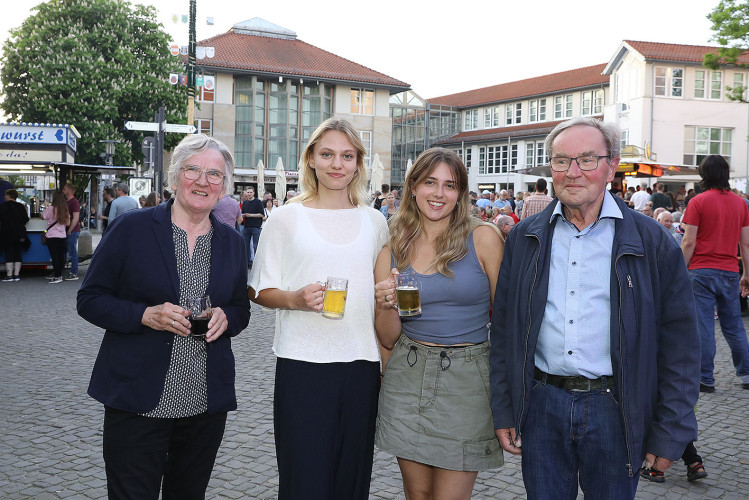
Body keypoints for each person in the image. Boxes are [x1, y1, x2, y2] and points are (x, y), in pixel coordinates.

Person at [490, 117, 699, 499]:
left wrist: (670, 432)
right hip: (542, 407)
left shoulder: (651, 241)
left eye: (587, 159)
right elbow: (504, 329)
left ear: (612, 165)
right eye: (560, 161)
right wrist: (505, 408)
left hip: (616, 411)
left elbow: (681, 346)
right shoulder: (525, 236)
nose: (572, 172)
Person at [77, 134, 250, 499]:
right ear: (175, 178)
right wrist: (145, 315)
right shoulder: (132, 229)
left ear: (224, 188)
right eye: (193, 170)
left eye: (214, 175)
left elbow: (240, 309)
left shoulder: (232, 242)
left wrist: (226, 318)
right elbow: (90, 299)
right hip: (138, 398)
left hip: (204, 403)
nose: (203, 181)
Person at [248, 118, 388, 499]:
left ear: (358, 163)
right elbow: (258, 289)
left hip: (360, 363)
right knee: (303, 477)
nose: (336, 164)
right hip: (302, 363)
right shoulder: (284, 218)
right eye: (327, 154)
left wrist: (390, 296)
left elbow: (381, 293)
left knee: (352, 477)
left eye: (346, 156)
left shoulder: (375, 221)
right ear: (310, 158)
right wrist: (294, 299)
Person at [373, 147, 504, 499]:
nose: (439, 194)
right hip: (408, 374)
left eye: (450, 185)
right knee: (417, 496)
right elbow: (387, 339)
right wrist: (385, 304)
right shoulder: (393, 245)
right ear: (413, 186)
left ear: (460, 192)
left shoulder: (484, 237)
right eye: (430, 182)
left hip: (467, 380)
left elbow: (507, 321)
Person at [681, 154, 749, 393]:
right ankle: (747, 374)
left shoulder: (698, 202)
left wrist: (678, 269)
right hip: (730, 271)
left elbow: (689, 242)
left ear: (703, 174)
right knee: (734, 326)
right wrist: (747, 274)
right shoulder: (741, 204)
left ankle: (706, 379)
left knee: (704, 327)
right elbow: (746, 244)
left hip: (700, 271)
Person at [0, 189, 29, 282]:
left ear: (8, 195)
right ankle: (16, 275)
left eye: (5, 195)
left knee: (9, 252)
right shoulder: (21, 206)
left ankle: (9, 275)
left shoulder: (2, 206)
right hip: (20, 233)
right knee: (17, 253)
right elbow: (26, 219)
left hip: (7, 232)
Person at [42, 191, 69, 283]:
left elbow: (43, 216)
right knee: (61, 256)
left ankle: (57, 276)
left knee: (54, 257)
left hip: (52, 236)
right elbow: (68, 223)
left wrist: (46, 207)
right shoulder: (65, 209)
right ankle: (59, 275)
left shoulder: (51, 208)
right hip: (62, 235)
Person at [62, 181, 81, 281]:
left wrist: (69, 230)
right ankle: (70, 270)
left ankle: (74, 272)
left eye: (64, 189)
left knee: (72, 251)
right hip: (70, 230)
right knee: (69, 250)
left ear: (69, 191)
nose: (63, 190)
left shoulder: (74, 202)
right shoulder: (68, 202)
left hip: (72, 230)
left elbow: (75, 218)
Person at [241, 186, 263, 268]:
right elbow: (243, 214)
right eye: (248, 192)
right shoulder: (245, 203)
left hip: (256, 227)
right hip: (246, 226)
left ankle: (257, 264)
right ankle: (247, 263)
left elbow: (261, 214)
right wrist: (243, 215)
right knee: (246, 246)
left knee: (255, 245)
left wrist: (250, 215)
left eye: (251, 192)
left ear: (254, 193)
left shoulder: (258, 202)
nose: (249, 194)